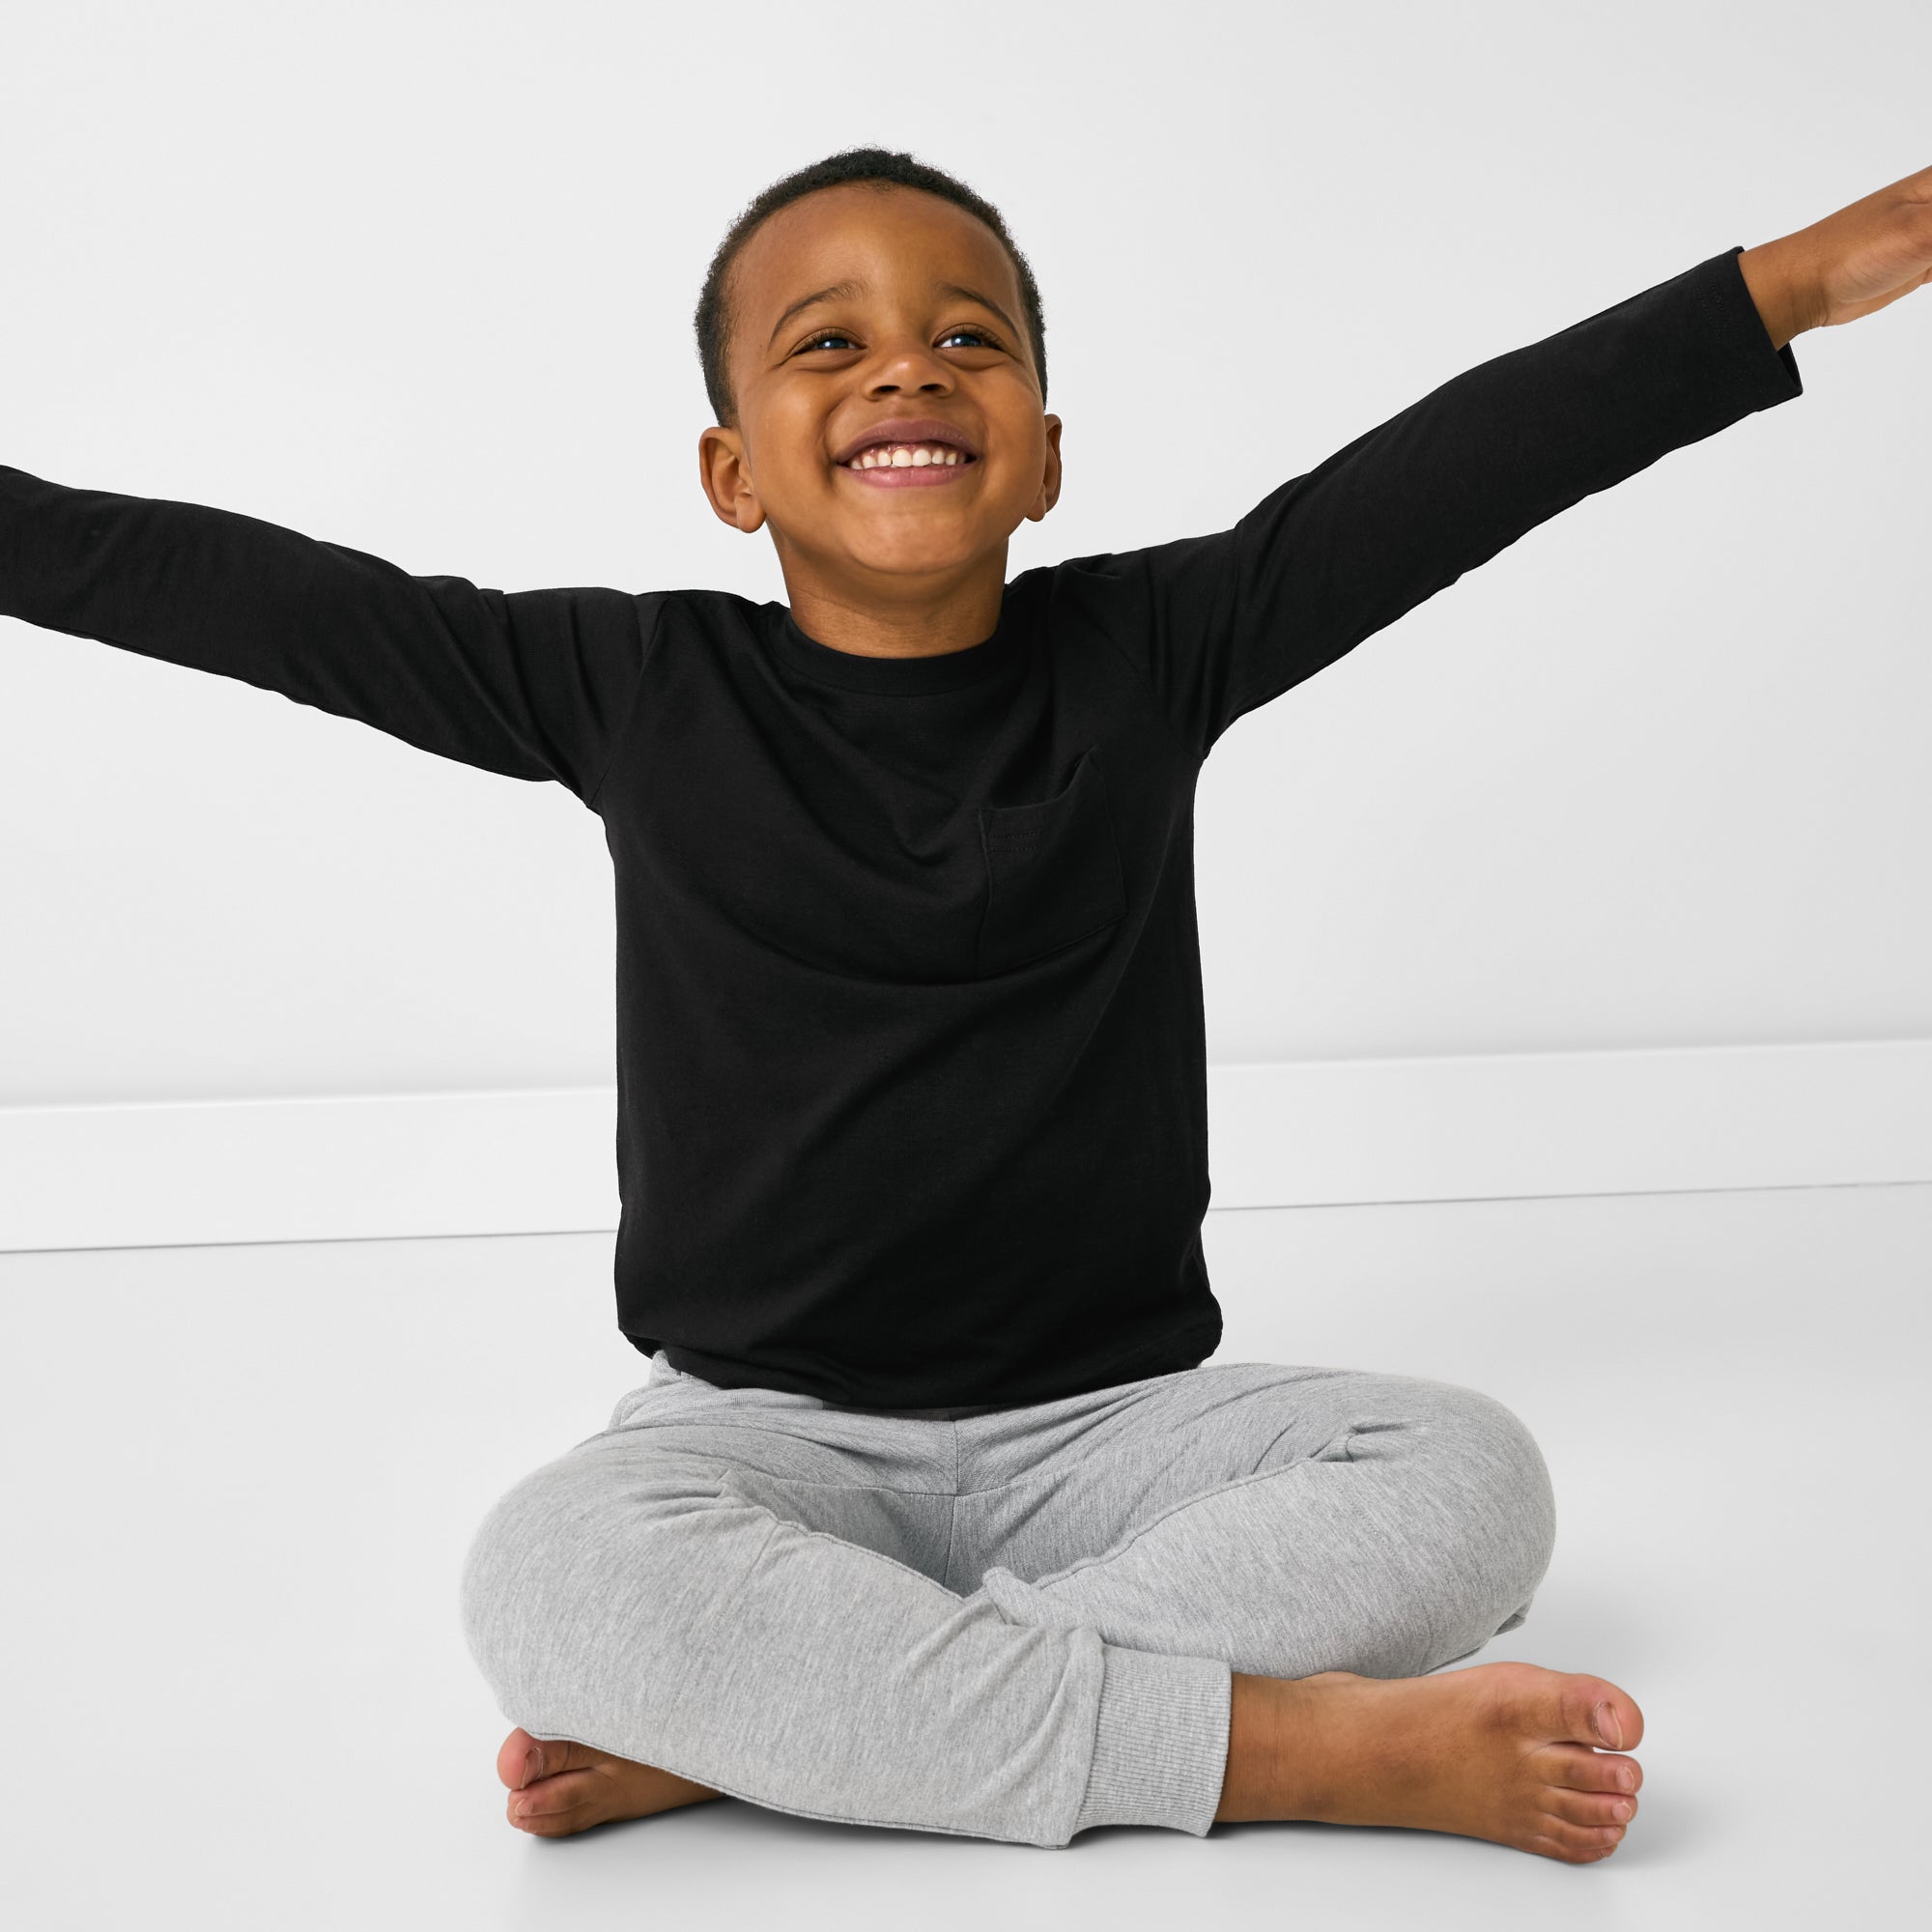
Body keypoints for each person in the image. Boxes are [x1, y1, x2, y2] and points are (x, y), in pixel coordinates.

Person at [4, 147, 1924, 1864]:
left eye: (966, 339)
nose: (905, 370)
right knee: (546, 1576)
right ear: (732, 471)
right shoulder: (630, 685)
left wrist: (1778, 289)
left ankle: (804, 1730)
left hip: (1114, 1445)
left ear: (1045, 448)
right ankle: (1281, 1752)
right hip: (755, 1444)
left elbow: (1460, 465)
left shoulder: (1156, 648)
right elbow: (248, 593)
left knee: (1472, 1482)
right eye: (825, 345)